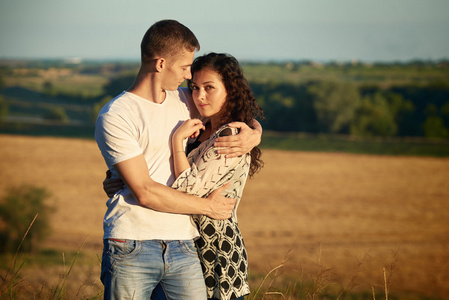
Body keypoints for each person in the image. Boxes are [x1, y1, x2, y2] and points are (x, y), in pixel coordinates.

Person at [95, 20, 262, 300]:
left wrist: (255, 132)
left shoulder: (184, 100)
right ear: (160, 64)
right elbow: (145, 191)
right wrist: (209, 207)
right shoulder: (116, 115)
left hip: (184, 243)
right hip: (132, 242)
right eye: (185, 67)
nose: (189, 77)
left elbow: (229, 106)